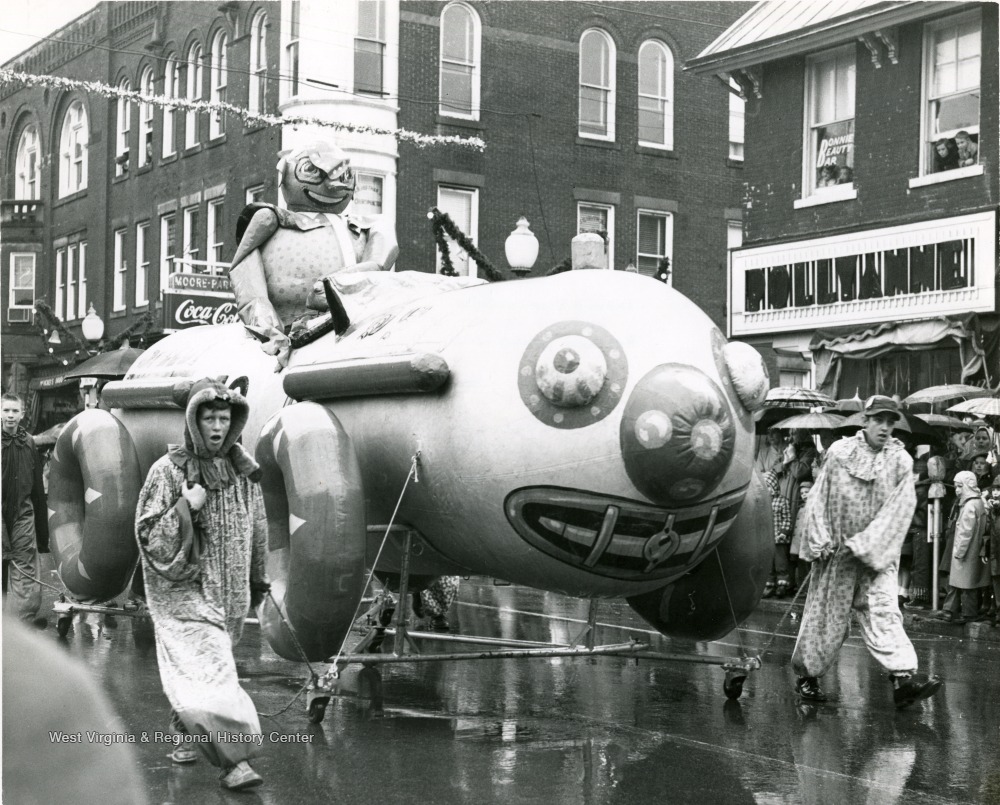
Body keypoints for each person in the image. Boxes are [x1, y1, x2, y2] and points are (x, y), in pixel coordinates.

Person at [135, 378, 269, 791]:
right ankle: (235, 763)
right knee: (212, 676)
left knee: (204, 673)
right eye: (209, 417)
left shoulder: (242, 471)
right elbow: (148, 536)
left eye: (223, 418)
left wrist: (258, 577)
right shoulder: (167, 471)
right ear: (194, 421)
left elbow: (257, 527)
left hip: (230, 597)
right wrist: (185, 508)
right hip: (183, 596)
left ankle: (182, 726)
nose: (216, 426)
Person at [791, 395, 941, 708]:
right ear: (865, 421)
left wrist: (867, 544)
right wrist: (819, 538)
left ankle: (902, 678)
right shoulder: (840, 452)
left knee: (885, 611)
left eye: (890, 421)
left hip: (877, 553)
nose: (886, 427)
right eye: (879, 420)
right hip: (836, 554)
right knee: (826, 619)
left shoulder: (900, 460)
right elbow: (819, 496)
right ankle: (808, 676)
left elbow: (900, 509)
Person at [1, 392, 49, 629]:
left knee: (25, 570)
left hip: (23, 514)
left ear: (22, 414)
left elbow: (38, 490)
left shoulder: (29, 443)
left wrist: (42, 534)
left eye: (14, 411)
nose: (10, 415)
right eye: (6, 410)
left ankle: (24, 624)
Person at [934, 471, 989, 625]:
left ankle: (961, 612)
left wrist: (959, 552)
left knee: (964, 583)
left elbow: (966, 532)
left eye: (959, 486)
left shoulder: (969, 506)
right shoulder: (977, 503)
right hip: (972, 550)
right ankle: (952, 611)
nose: (957, 490)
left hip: (966, 551)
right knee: (964, 582)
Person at [762, 469, 792, 598]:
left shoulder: (782, 501)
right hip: (767, 539)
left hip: (779, 539)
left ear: (773, 486)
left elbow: (787, 518)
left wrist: (783, 532)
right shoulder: (762, 503)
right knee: (769, 563)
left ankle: (782, 586)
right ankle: (769, 585)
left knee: (781, 563)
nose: (766, 490)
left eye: (767, 486)